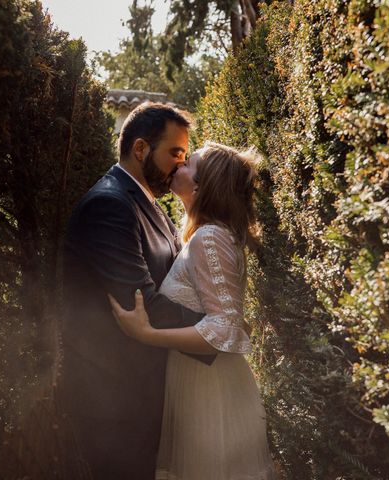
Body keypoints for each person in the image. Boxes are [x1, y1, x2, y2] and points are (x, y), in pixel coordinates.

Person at [60, 102, 215, 480]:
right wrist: (213, 334)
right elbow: (140, 302)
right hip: (115, 401)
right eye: (174, 153)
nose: (180, 164)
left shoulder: (150, 205)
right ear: (141, 149)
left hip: (148, 393)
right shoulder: (108, 206)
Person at [109, 142, 276, 480]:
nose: (179, 164)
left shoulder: (209, 238)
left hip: (209, 387)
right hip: (200, 378)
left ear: (201, 186)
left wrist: (146, 334)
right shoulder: (202, 236)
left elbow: (224, 329)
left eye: (189, 163)